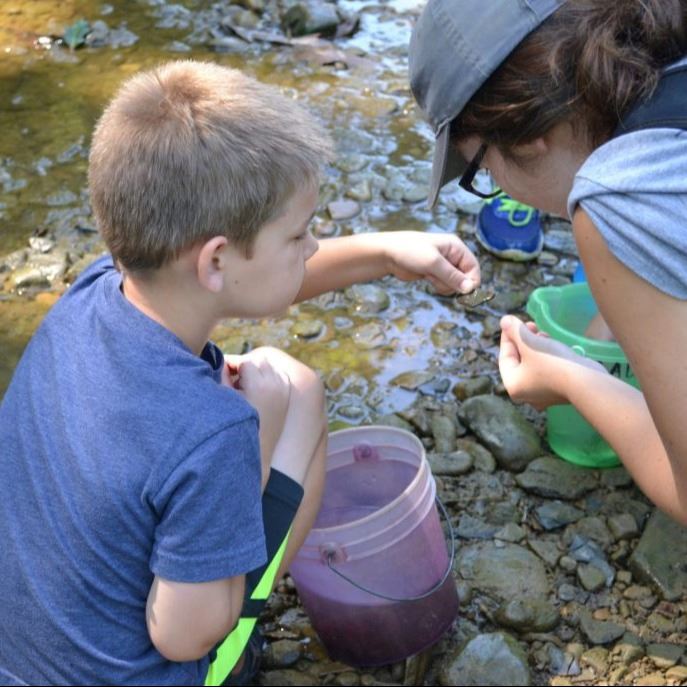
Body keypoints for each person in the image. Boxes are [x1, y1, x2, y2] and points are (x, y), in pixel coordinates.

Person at [0, 60, 480, 686]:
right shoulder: (213, 432)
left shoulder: (97, 288)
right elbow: (182, 636)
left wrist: (384, 253)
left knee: (291, 382)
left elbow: (256, 279)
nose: (310, 249)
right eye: (300, 235)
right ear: (217, 258)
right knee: (292, 394)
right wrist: (258, 429)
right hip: (153, 669)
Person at [409, 0, 687, 525]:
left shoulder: (615, 198)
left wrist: (572, 381)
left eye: (481, 171)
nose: (493, 184)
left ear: (523, 131)